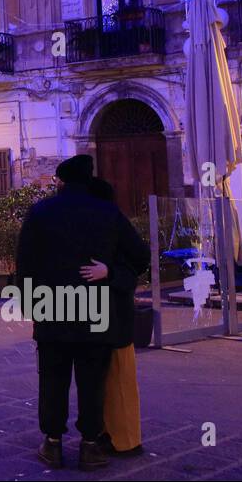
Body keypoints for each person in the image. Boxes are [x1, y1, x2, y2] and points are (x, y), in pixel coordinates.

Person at [15, 154, 129, 471]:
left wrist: (31, 306)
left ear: (61, 182)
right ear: (88, 179)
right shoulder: (108, 212)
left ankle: (52, 443)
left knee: (52, 378)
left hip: (52, 309)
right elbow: (138, 254)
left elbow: (24, 264)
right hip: (95, 311)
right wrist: (111, 272)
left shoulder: (40, 212)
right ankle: (90, 445)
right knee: (92, 381)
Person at [87, 176, 150, 458]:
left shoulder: (113, 221)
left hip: (116, 312)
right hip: (98, 312)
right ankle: (109, 432)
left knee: (120, 377)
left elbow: (139, 258)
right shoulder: (97, 222)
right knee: (106, 378)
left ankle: (127, 440)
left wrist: (109, 273)